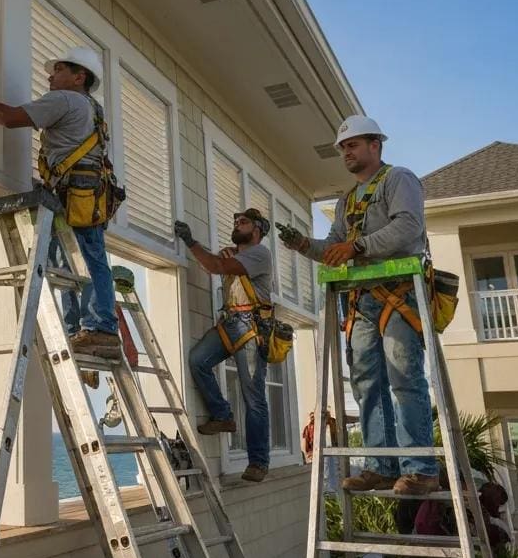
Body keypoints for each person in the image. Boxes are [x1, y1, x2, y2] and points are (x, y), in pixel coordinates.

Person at [279, 115, 439, 496]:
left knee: (404, 378)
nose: (346, 153)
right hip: (363, 299)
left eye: (352, 145)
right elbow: (335, 248)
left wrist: (359, 246)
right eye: (343, 148)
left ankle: (421, 467)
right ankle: (380, 466)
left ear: (375, 146)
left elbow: (408, 226)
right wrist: (304, 244)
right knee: (367, 383)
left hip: (399, 293)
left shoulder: (399, 179)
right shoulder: (347, 200)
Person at [0, 46, 121, 358]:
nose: (50, 75)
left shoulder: (65, 99)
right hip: (86, 195)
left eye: (58, 69)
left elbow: (8, 118)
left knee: (82, 262)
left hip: (74, 196)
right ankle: (86, 331)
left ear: (78, 76)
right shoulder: (92, 108)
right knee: (78, 262)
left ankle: (100, 329)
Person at [173, 208, 273, 484]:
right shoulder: (235, 254)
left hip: (251, 327)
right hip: (231, 322)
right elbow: (217, 261)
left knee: (253, 396)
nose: (237, 224)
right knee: (198, 360)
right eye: (236, 220)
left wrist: (191, 242)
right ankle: (222, 414)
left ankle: (258, 461)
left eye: (243, 222)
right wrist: (209, 251)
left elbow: (216, 266)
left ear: (257, 230)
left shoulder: (259, 254)